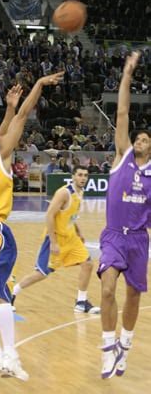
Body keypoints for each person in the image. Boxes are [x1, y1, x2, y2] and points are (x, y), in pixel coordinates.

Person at [0, 72, 64, 381]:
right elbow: (21, 117)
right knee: (1, 292)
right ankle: (12, 355)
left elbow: (2, 131)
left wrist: (6, 110)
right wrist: (39, 86)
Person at [98, 52, 151, 379]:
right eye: (139, 137)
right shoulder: (122, 155)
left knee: (133, 295)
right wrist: (127, 73)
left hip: (139, 240)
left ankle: (125, 346)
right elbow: (122, 111)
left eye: (146, 139)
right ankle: (107, 347)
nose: (141, 139)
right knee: (106, 289)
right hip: (114, 235)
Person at [12, 166, 100, 314]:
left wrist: (79, 232)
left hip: (71, 237)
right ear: (73, 176)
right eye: (80, 175)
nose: (83, 178)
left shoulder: (80, 192)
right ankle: (12, 293)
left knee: (88, 264)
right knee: (41, 273)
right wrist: (53, 241)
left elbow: (71, 215)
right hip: (56, 238)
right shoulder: (64, 193)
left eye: (85, 175)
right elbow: (49, 215)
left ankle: (81, 301)